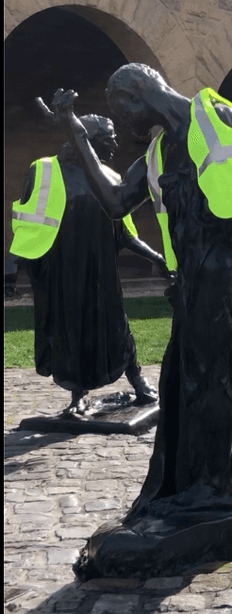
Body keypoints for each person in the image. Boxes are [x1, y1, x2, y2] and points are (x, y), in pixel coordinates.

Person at [46, 63, 232, 577]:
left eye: (123, 108)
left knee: (208, 382)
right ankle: (230, 467)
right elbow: (118, 200)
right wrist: (76, 133)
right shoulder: (159, 149)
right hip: (193, 283)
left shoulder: (213, 119)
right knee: (193, 380)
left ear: (136, 92)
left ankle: (213, 487)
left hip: (222, 276)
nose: (126, 119)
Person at [11, 112, 164, 415]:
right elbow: (29, 223)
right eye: (109, 139)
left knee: (117, 325)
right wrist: (14, 266)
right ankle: (76, 394)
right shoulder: (43, 170)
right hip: (62, 272)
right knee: (68, 332)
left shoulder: (110, 178)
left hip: (102, 271)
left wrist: (156, 258)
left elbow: (125, 233)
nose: (115, 144)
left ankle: (135, 376)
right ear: (87, 141)